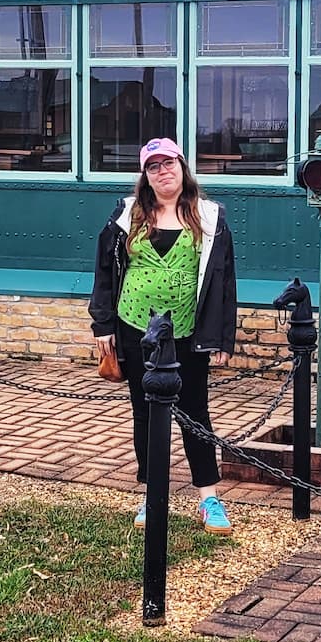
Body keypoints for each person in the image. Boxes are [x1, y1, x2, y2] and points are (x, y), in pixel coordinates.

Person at [88, 137, 239, 535]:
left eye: (168, 163)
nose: (162, 172)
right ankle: (153, 495)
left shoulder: (209, 216)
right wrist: (102, 325)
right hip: (134, 327)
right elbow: (104, 271)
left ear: (182, 167)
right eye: (153, 166)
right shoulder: (126, 215)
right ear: (145, 175)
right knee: (145, 413)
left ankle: (209, 498)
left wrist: (223, 337)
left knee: (195, 413)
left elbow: (224, 282)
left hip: (187, 332)